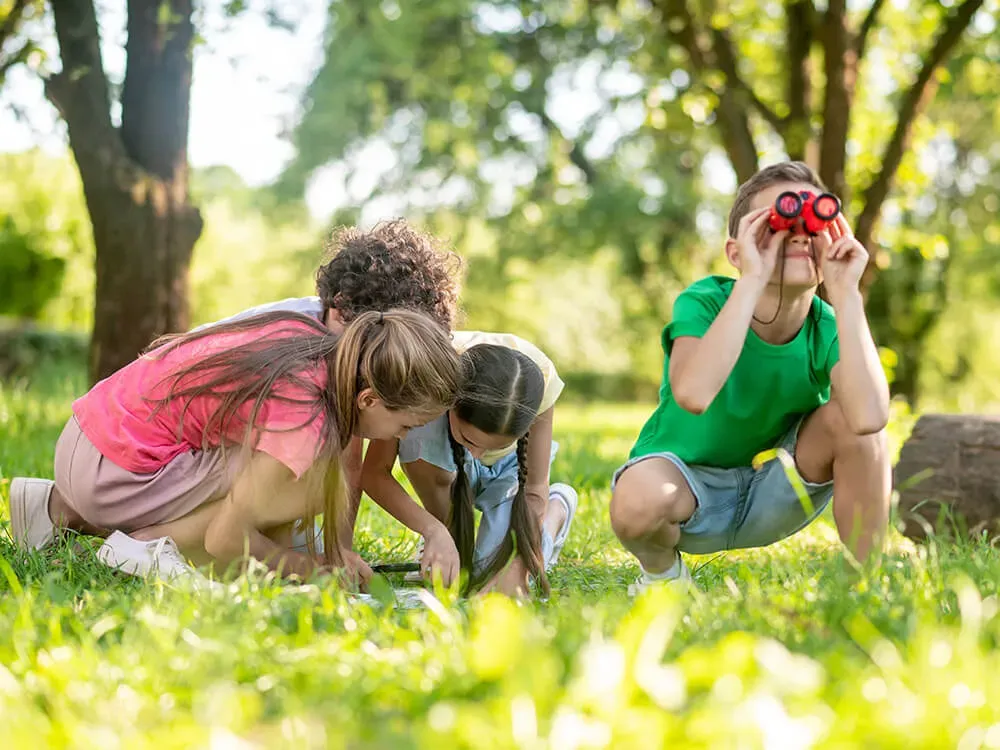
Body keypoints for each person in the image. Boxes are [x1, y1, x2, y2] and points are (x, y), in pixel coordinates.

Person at [8, 309, 462, 588]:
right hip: (111, 471)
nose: (399, 438)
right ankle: (141, 548)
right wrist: (308, 570)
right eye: (405, 425)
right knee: (314, 483)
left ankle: (53, 510)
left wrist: (302, 558)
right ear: (369, 399)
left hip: (88, 439)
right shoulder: (306, 419)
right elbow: (225, 540)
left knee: (294, 491)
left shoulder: (309, 342)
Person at [609, 160, 892, 594]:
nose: (798, 234)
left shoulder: (828, 325)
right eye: (777, 224)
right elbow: (694, 393)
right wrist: (753, 277)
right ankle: (663, 576)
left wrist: (846, 293)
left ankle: (866, 583)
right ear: (736, 252)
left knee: (854, 421)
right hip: (687, 488)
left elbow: (871, 418)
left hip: (779, 487)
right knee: (636, 500)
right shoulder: (705, 301)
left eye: (813, 222)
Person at [191, 218, 464, 559]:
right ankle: (160, 541)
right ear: (345, 308)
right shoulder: (310, 350)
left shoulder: (325, 329)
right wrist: (332, 556)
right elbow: (342, 463)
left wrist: (338, 550)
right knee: (308, 484)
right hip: (160, 459)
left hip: (173, 453)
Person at [360, 335, 578, 598]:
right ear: (452, 404)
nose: (475, 455)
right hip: (441, 458)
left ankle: (557, 512)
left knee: (491, 573)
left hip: (508, 471)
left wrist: (520, 565)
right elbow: (373, 473)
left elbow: (533, 488)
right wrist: (433, 530)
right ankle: (446, 536)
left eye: (493, 446)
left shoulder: (541, 382)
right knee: (464, 576)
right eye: (469, 440)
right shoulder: (426, 371)